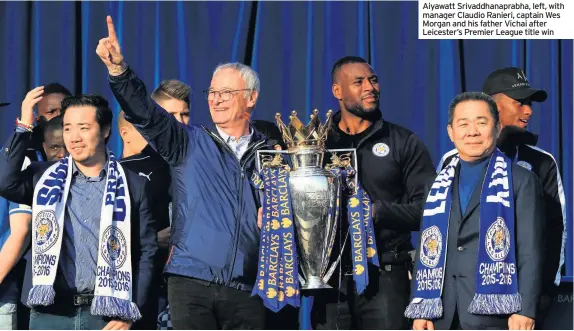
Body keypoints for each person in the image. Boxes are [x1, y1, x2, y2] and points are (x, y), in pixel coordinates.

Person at [97, 16, 282, 329]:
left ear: (251, 98)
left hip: (250, 288)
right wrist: (119, 71)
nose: (216, 99)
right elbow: (145, 112)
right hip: (190, 283)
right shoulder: (188, 141)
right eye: (212, 92)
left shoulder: (273, 153)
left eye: (227, 92)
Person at [0, 92, 159, 330]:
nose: (74, 137)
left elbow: (148, 253)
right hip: (50, 312)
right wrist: (24, 126)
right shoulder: (44, 176)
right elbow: (6, 182)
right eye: (67, 128)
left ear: (105, 131)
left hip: (107, 313)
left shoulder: (133, 184)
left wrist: (130, 312)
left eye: (83, 128)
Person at [306, 56, 436, 329]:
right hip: (331, 281)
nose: (370, 87)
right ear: (337, 91)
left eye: (373, 80)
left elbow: (429, 209)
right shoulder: (316, 145)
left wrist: (377, 212)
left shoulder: (403, 142)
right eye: (359, 82)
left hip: (387, 277)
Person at [437, 68, 567, 328]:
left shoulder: (541, 162)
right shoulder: (451, 161)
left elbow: (556, 233)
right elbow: (441, 231)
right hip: (457, 307)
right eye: (519, 103)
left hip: (517, 307)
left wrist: (536, 299)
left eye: (530, 104)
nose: (528, 111)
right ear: (493, 105)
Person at [407, 92, 545, 330]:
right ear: (451, 132)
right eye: (463, 124)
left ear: (498, 128)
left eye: (482, 123)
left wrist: (525, 309)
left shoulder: (521, 180)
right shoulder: (435, 184)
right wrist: (421, 309)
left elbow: (530, 249)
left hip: (497, 315)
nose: (472, 132)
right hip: (442, 314)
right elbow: (427, 249)